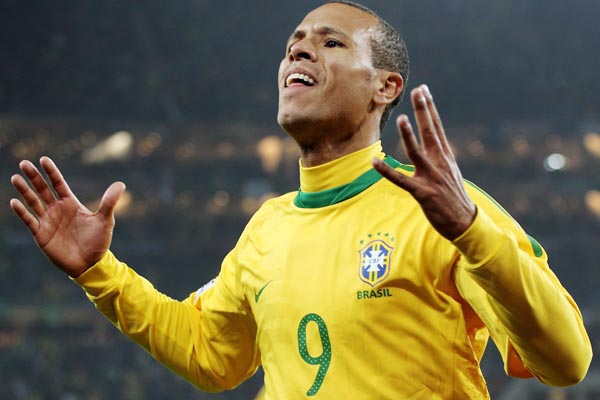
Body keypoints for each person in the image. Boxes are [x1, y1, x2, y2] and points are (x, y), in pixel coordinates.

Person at [10, 1, 592, 399]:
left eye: (331, 42)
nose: (299, 52)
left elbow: (567, 363)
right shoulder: (268, 226)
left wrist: (470, 230)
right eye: (293, 46)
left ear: (385, 87)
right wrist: (99, 273)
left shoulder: (443, 208)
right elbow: (212, 355)